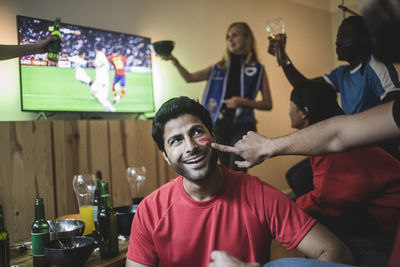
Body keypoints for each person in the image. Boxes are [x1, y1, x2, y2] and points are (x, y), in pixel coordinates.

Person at [126, 96, 354, 267]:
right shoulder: (150, 211)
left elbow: (336, 253)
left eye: (196, 132)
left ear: (213, 136)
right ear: (165, 156)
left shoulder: (258, 194)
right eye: (176, 140)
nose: (191, 146)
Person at [213, 82, 400, 266]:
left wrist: (289, 206)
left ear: (304, 112)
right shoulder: (323, 144)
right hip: (370, 195)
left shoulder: (334, 157)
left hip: (388, 215)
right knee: (296, 178)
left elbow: (328, 200)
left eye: (291, 106)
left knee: (308, 216)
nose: (288, 111)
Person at [269, 15, 400, 200]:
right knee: (294, 176)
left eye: (344, 36)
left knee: (300, 179)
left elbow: (394, 103)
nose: (337, 42)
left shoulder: (375, 65)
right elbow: (305, 87)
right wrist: (282, 58)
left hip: (376, 149)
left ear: (364, 40)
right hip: (351, 145)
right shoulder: (341, 74)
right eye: (337, 37)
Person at [163, 22, 272, 172]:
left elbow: (268, 103)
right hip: (218, 127)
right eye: (227, 37)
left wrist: (242, 102)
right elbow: (189, 77)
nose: (230, 40)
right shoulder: (218, 68)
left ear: (247, 38)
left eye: (235, 35)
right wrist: (174, 60)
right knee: (223, 171)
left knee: (236, 169)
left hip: (242, 126)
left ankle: (238, 195)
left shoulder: (257, 69)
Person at [91, 43, 116, 112]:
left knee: (98, 95)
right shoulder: (103, 56)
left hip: (101, 80)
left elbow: (98, 64)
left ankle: (111, 109)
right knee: (96, 93)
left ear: (95, 48)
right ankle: (107, 109)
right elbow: (107, 68)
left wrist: (94, 64)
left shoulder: (100, 55)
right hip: (104, 79)